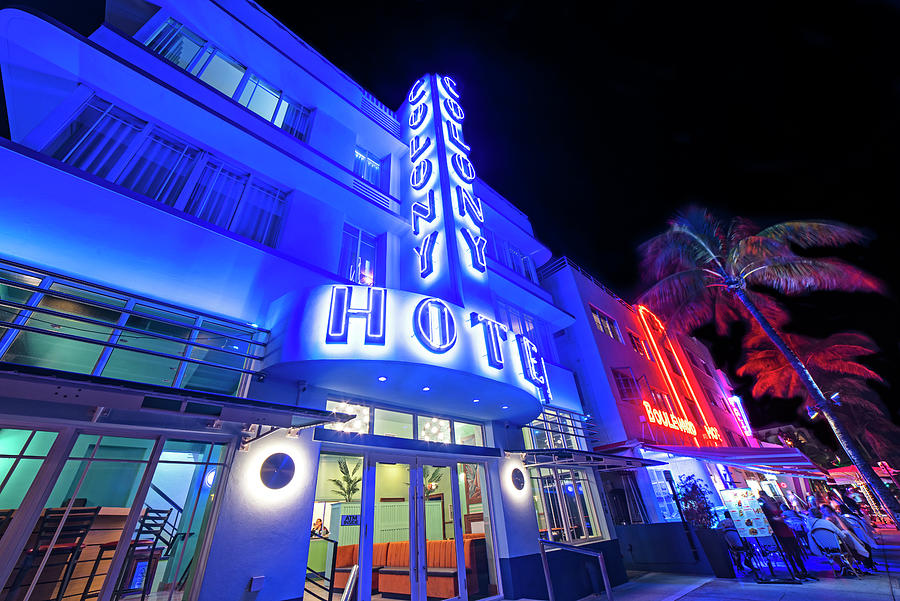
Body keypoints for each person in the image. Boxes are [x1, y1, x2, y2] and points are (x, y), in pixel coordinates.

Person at [758, 492, 815, 580]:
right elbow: (767, 519)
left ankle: (803, 570)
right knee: (790, 552)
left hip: (785, 528)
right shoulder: (765, 507)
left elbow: (780, 515)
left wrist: (781, 518)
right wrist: (776, 519)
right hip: (779, 530)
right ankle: (796, 571)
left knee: (796, 550)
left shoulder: (773, 504)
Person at [822, 505, 875, 570]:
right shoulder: (825, 521)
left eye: (828, 510)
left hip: (847, 538)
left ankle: (869, 565)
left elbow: (846, 529)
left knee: (866, 546)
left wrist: (836, 517)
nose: (827, 512)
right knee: (858, 549)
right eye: (824, 511)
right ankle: (864, 565)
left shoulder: (839, 518)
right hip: (840, 542)